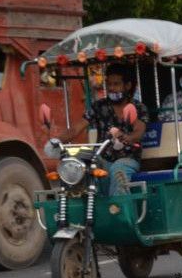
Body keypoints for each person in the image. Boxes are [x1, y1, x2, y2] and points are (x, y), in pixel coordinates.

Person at [56, 64, 148, 195]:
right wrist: (55, 141)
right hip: (102, 158)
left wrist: (126, 138)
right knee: (82, 167)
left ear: (128, 85)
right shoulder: (98, 106)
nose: (111, 88)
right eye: (109, 84)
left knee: (118, 170)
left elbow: (138, 132)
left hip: (128, 159)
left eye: (116, 84)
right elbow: (76, 128)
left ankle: (119, 212)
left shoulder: (138, 107)